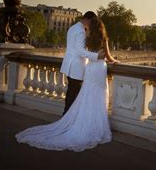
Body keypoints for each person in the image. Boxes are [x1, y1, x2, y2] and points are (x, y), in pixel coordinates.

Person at [15, 18, 117, 151]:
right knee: (99, 95)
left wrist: (93, 56)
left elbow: (83, 51)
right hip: (98, 68)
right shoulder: (103, 38)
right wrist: (113, 60)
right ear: (102, 27)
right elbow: (108, 56)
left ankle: (78, 121)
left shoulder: (87, 37)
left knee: (86, 94)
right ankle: (95, 124)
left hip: (90, 68)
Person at [60, 11, 101, 115]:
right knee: (74, 95)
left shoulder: (72, 28)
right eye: (92, 22)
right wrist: (96, 56)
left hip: (70, 65)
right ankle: (67, 117)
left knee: (71, 93)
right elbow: (80, 51)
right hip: (76, 67)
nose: (92, 25)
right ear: (88, 19)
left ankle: (66, 116)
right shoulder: (81, 31)